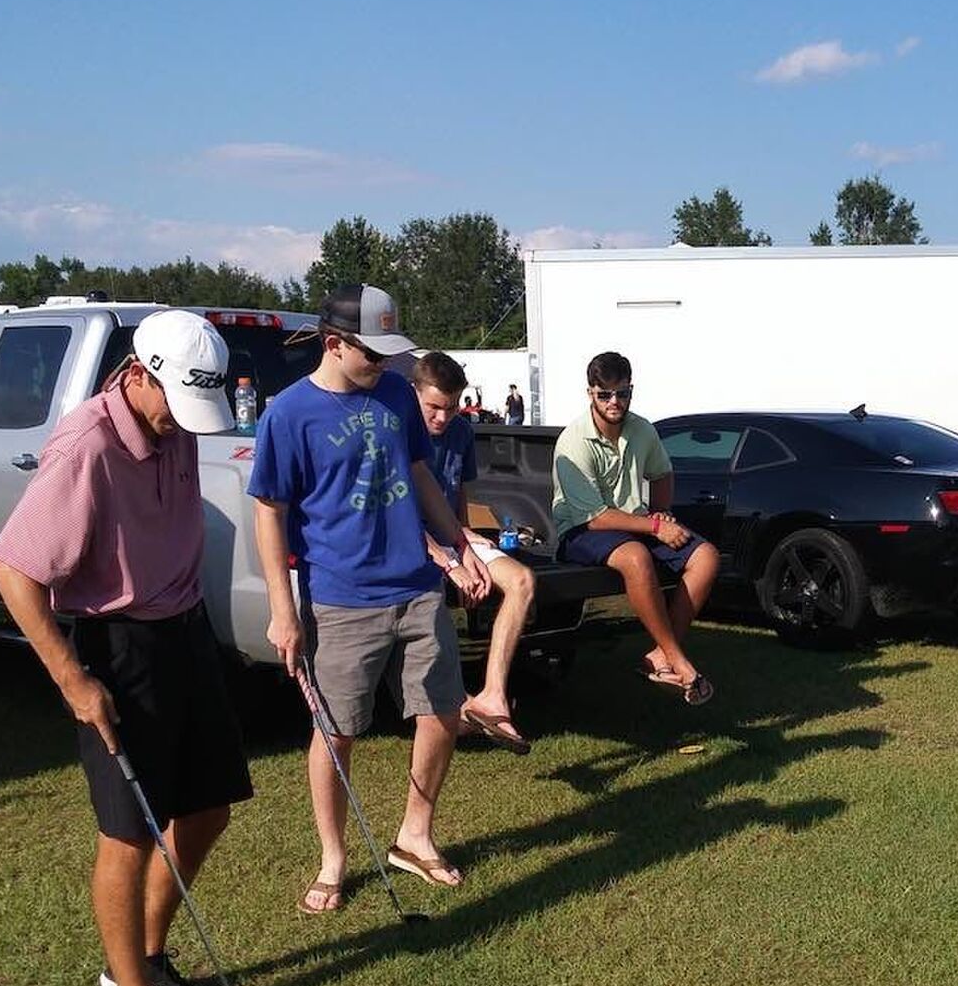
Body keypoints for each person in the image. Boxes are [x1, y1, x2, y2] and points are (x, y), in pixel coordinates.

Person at [0, 310, 252, 986]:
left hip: (184, 631)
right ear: (135, 374)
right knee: (128, 831)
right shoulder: (87, 446)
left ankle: (145, 956)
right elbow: (12, 570)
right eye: (172, 403)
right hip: (120, 645)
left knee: (208, 806)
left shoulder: (174, 427)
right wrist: (75, 681)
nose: (181, 424)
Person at [248, 284, 492, 914]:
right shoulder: (289, 414)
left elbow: (419, 474)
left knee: (441, 713)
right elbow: (269, 513)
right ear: (335, 344)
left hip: (416, 587)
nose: (386, 366)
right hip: (340, 598)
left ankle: (414, 836)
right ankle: (333, 858)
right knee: (336, 733)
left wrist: (457, 542)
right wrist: (282, 607)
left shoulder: (394, 396)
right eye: (374, 354)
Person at [551, 350, 719, 703]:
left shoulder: (642, 429)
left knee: (706, 556)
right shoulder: (573, 440)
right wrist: (655, 526)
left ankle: (658, 656)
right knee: (635, 557)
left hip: (637, 523)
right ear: (590, 393)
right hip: (581, 530)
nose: (615, 402)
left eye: (623, 393)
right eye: (605, 394)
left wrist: (661, 512)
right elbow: (595, 517)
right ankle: (677, 659)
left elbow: (662, 472)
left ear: (631, 391)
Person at [412, 351, 536, 753]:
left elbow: (458, 497)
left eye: (451, 408)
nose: (442, 418)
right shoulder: (399, 433)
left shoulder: (462, 432)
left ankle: (492, 696)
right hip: (412, 544)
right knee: (431, 602)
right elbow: (403, 519)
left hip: (452, 536)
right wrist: (453, 564)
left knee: (521, 580)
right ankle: (453, 706)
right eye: (433, 407)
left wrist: (465, 548)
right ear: (415, 394)